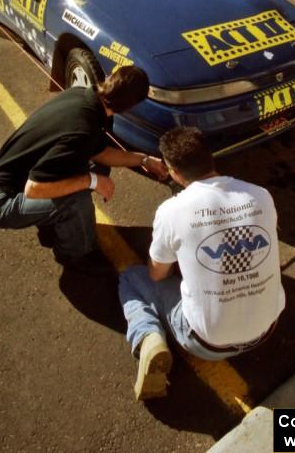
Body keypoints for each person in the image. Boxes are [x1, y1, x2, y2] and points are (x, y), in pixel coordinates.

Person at [119, 126, 285, 401]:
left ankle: (147, 336)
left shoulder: (171, 211)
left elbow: (157, 274)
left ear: (173, 172)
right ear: (211, 158)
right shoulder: (260, 195)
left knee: (133, 279)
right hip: (267, 329)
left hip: (208, 344)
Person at [0, 66, 167, 271]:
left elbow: (102, 154)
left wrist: (145, 160)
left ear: (111, 78)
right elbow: (34, 189)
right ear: (130, 106)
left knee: (98, 168)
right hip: (1, 200)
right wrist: (92, 180)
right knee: (77, 200)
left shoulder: (84, 96)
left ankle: (52, 224)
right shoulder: (83, 129)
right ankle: (74, 254)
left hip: (18, 178)